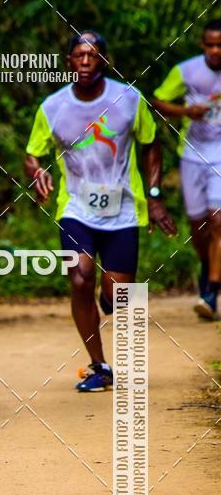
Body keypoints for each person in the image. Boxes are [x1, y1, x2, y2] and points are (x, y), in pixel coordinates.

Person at [25, 30, 176, 391]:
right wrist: (37, 172)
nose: (86, 62)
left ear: (105, 62)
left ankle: (109, 301)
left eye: (94, 56)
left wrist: (154, 197)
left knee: (118, 296)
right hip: (76, 207)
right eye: (80, 56)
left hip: (123, 209)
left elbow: (152, 144)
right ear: (69, 63)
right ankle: (99, 366)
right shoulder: (53, 107)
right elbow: (32, 154)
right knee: (80, 276)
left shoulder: (128, 99)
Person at [153, 19, 221, 319]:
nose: (216, 51)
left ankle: (210, 292)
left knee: (218, 220)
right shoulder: (187, 71)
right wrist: (186, 111)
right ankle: (208, 265)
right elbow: (158, 101)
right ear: (202, 44)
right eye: (210, 45)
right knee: (199, 226)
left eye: (220, 45)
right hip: (192, 155)